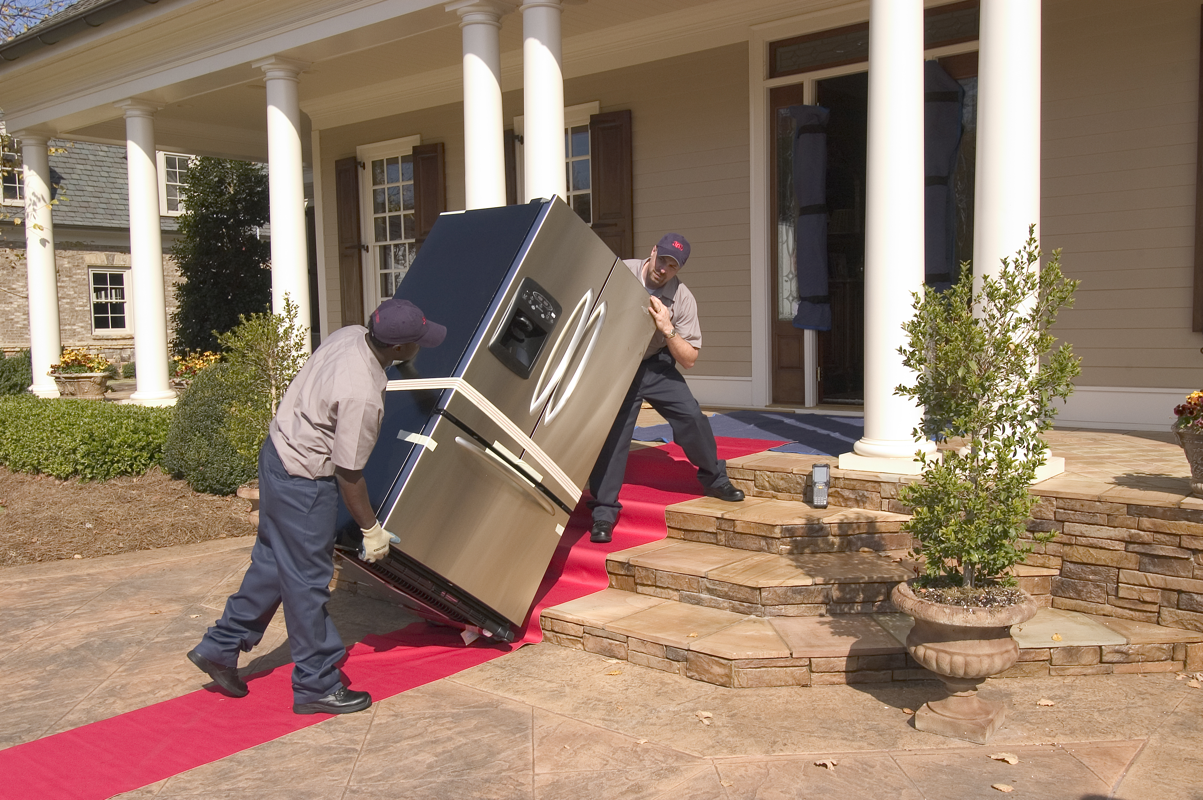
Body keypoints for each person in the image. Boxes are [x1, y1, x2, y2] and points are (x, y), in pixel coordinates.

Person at [186, 298, 446, 714]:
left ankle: (221, 646)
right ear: (397, 348)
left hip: (276, 454)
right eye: (416, 343)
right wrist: (370, 529)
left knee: (273, 561)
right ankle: (316, 684)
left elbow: (366, 368)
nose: (420, 346)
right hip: (304, 481)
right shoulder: (362, 395)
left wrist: (406, 368)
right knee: (307, 582)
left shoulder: (350, 335)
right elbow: (349, 473)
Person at [587, 233, 744, 544]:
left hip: (655, 364)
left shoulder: (682, 297)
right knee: (616, 434)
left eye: (673, 266)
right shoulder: (621, 272)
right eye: (663, 260)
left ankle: (714, 478)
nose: (664, 268)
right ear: (653, 252)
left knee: (692, 415)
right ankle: (603, 513)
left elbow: (689, 359)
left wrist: (667, 329)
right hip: (618, 363)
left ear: (678, 268)